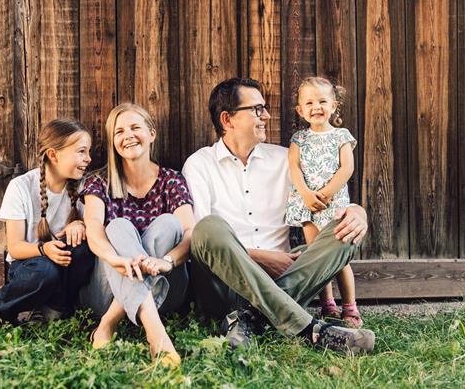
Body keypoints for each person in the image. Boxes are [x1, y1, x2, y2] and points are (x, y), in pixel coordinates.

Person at [182, 77, 374, 355]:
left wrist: (357, 212)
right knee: (208, 229)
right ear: (227, 119)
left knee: (345, 231)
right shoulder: (200, 164)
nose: (267, 116)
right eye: (257, 109)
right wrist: (264, 257)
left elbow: (327, 196)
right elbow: (202, 240)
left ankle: (247, 321)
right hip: (224, 286)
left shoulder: (285, 160)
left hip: (285, 278)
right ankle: (311, 330)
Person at [0, 119, 95, 328]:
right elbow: (15, 248)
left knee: (84, 248)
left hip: (64, 270)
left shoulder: (84, 186)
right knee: (45, 271)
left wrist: (81, 225)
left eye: (88, 151)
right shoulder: (21, 187)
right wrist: (45, 249)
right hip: (30, 265)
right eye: (81, 151)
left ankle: (53, 311)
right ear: (53, 155)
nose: (88, 159)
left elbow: (97, 226)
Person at [82, 103, 195, 368]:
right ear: (113, 141)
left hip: (167, 289)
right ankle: (157, 334)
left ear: (151, 133)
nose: (128, 135)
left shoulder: (171, 180)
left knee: (169, 223)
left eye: (135, 127)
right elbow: (94, 228)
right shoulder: (99, 182)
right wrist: (115, 259)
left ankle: (108, 323)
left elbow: (190, 233)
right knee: (118, 226)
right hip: (108, 289)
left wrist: (166, 261)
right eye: (119, 131)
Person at [286, 76, 363, 328]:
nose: (316, 107)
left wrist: (327, 193)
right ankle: (328, 304)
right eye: (309, 103)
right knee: (317, 258)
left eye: (322, 101)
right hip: (308, 205)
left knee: (339, 258)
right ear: (300, 110)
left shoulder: (341, 136)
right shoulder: (299, 139)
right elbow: (294, 168)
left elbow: (347, 168)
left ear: (334, 105)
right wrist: (307, 194)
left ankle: (350, 306)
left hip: (334, 204)